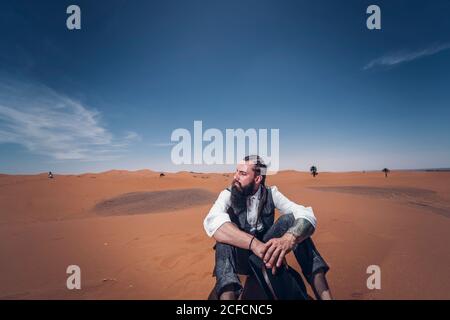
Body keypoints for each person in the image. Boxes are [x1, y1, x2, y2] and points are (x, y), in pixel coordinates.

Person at [203, 155, 333, 300]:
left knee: (292, 220)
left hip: (265, 254)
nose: (235, 177)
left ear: (258, 179)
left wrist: (290, 238)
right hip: (240, 258)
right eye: (236, 171)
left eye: (243, 173)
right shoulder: (228, 194)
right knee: (225, 233)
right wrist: (254, 244)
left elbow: (306, 214)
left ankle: (325, 296)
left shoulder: (271, 194)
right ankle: (227, 295)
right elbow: (212, 221)